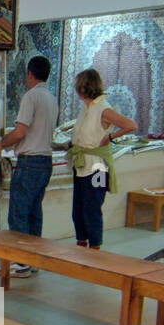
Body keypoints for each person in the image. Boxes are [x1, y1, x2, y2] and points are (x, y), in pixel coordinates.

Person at [0, 55, 59, 278]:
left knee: (19, 213)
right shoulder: (51, 98)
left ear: (30, 74)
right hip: (45, 161)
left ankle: (19, 262)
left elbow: (20, 131)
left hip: (29, 163)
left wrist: (1, 144)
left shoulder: (31, 97)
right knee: (34, 212)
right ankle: (32, 259)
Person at [68, 68, 137, 249]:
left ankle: (95, 247)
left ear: (84, 87)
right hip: (82, 165)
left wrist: (110, 137)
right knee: (78, 210)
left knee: (92, 209)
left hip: (98, 168)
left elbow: (131, 125)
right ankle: (81, 244)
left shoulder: (103, 109)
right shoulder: (87, 108)